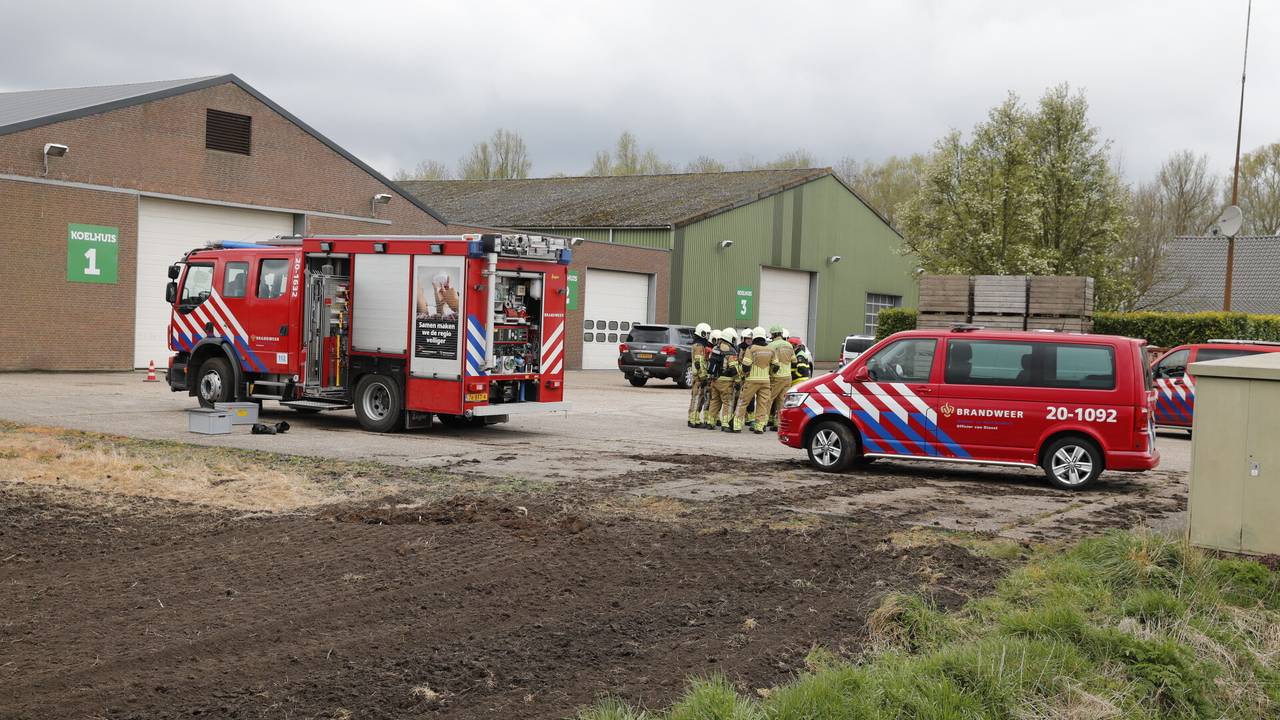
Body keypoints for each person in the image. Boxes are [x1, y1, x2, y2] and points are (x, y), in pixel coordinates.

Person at [734, 326, 776, 434]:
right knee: (762, 404)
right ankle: (759, 426)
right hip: (765, 381)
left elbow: (746, 366)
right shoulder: (771, 349)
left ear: (754, 336)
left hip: (752, 380)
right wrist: (769, 373)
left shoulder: (751, 349)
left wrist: (744, 375)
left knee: (743, 402)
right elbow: (776, 366)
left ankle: (737, 425)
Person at [708, 328, 741, 431]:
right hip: (726, 381)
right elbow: (733, 368)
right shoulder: (730, 351)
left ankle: (710, 422)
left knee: (715, 401)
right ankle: (725, 424)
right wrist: (738, 381)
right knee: (728, 402)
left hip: (715, 380)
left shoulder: (715, 348)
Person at [765, 324, 796, 430]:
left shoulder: (771, 346)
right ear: (781, 334)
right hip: (787, 377)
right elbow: (794, 361)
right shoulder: (789, 345)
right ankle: (779, 424)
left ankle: (762, 423)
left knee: (768, 399)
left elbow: (766, 361)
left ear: (773, 335)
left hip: (776, 377)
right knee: (781, 401)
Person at [687, 323, 713, 428]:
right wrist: (703, 376)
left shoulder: (699, 344)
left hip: (698, 376)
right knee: (697, 398)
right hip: (698, 377)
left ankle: (696, 419)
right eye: (706, 334)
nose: (707, 336)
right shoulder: (699, 346)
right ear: (701, 333)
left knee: (700, 398)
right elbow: (698, 362)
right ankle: (692, 420)